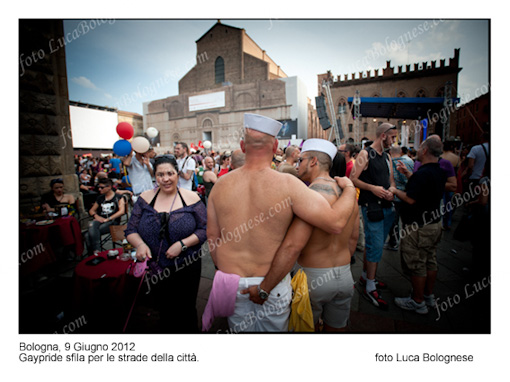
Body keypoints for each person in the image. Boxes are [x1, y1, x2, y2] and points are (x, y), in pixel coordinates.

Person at [206, 113, 357, 332]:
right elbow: (335, 223)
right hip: (272, 283)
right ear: (276, 146)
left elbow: (212, 236)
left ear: (242, 146)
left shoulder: (220, 185)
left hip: (232, 281)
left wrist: (225, 269)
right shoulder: (289, 185)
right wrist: (351, 188)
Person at [250, 139, 358, 332]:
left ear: (313, 161)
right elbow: (353, 239)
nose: (298, 165)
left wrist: (264, 289)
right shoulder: (347, 194)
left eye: (301, 160)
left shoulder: (308, 196)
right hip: (344, 275)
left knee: (305, 329)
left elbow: (293, 246)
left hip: (314, 279)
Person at [125, 155, 207, 333]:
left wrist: (182, 244)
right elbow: (130, 230)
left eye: (170, 173)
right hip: (156, 267)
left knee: (186, 309)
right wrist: (139, 244)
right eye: (160, 174)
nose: (166, 178)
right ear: (155, 176)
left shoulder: (192, 198)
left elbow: (205, 229)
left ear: (177, 174)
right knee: (163, 308)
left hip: (187, 265)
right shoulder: (145, 199)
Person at [389, 137, 447, 314]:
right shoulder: (438, 171)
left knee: (416, 264)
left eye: (420, 147)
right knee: (430, 261)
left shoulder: (423, 173)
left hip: (418, 227)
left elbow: (411, 198)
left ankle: (417, 301)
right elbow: (425, 189)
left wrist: (394, 190)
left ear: (425, 151)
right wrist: (408, 175)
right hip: (434, 224)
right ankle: (428, 295)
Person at [350, 122, 397, 310]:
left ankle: (366, 276)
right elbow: (353, 178)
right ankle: (370, 286)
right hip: (371, 208)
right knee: (375, 246)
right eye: (392, 137)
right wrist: (373, 189)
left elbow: (392, 181)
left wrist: (391, 191)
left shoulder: (387, 156)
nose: (394, 141)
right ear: (383, 135)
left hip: (387, 207)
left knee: (374, 245)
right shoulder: (365, 154)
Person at [85, 178, 126, 254]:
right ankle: (96, 251)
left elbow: (121, 211)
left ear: (109, 187)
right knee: (92, 226)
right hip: (100, 221)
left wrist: (108, 219)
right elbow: (91, 210)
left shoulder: (118, 197)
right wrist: (96, 216)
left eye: (102, 187)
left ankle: (95, 254)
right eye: (99, 187)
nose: (99, 189)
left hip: (112, 222)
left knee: (88, 235)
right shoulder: (100, 198)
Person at [386, 146, 414, 250]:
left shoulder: (389, 163)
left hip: (395, 196)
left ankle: (393, 242)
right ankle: (408, 241)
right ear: (401, 152)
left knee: (394, 222)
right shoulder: (410, 161)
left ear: (389, 152)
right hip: (407, 196)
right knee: (406, 221)